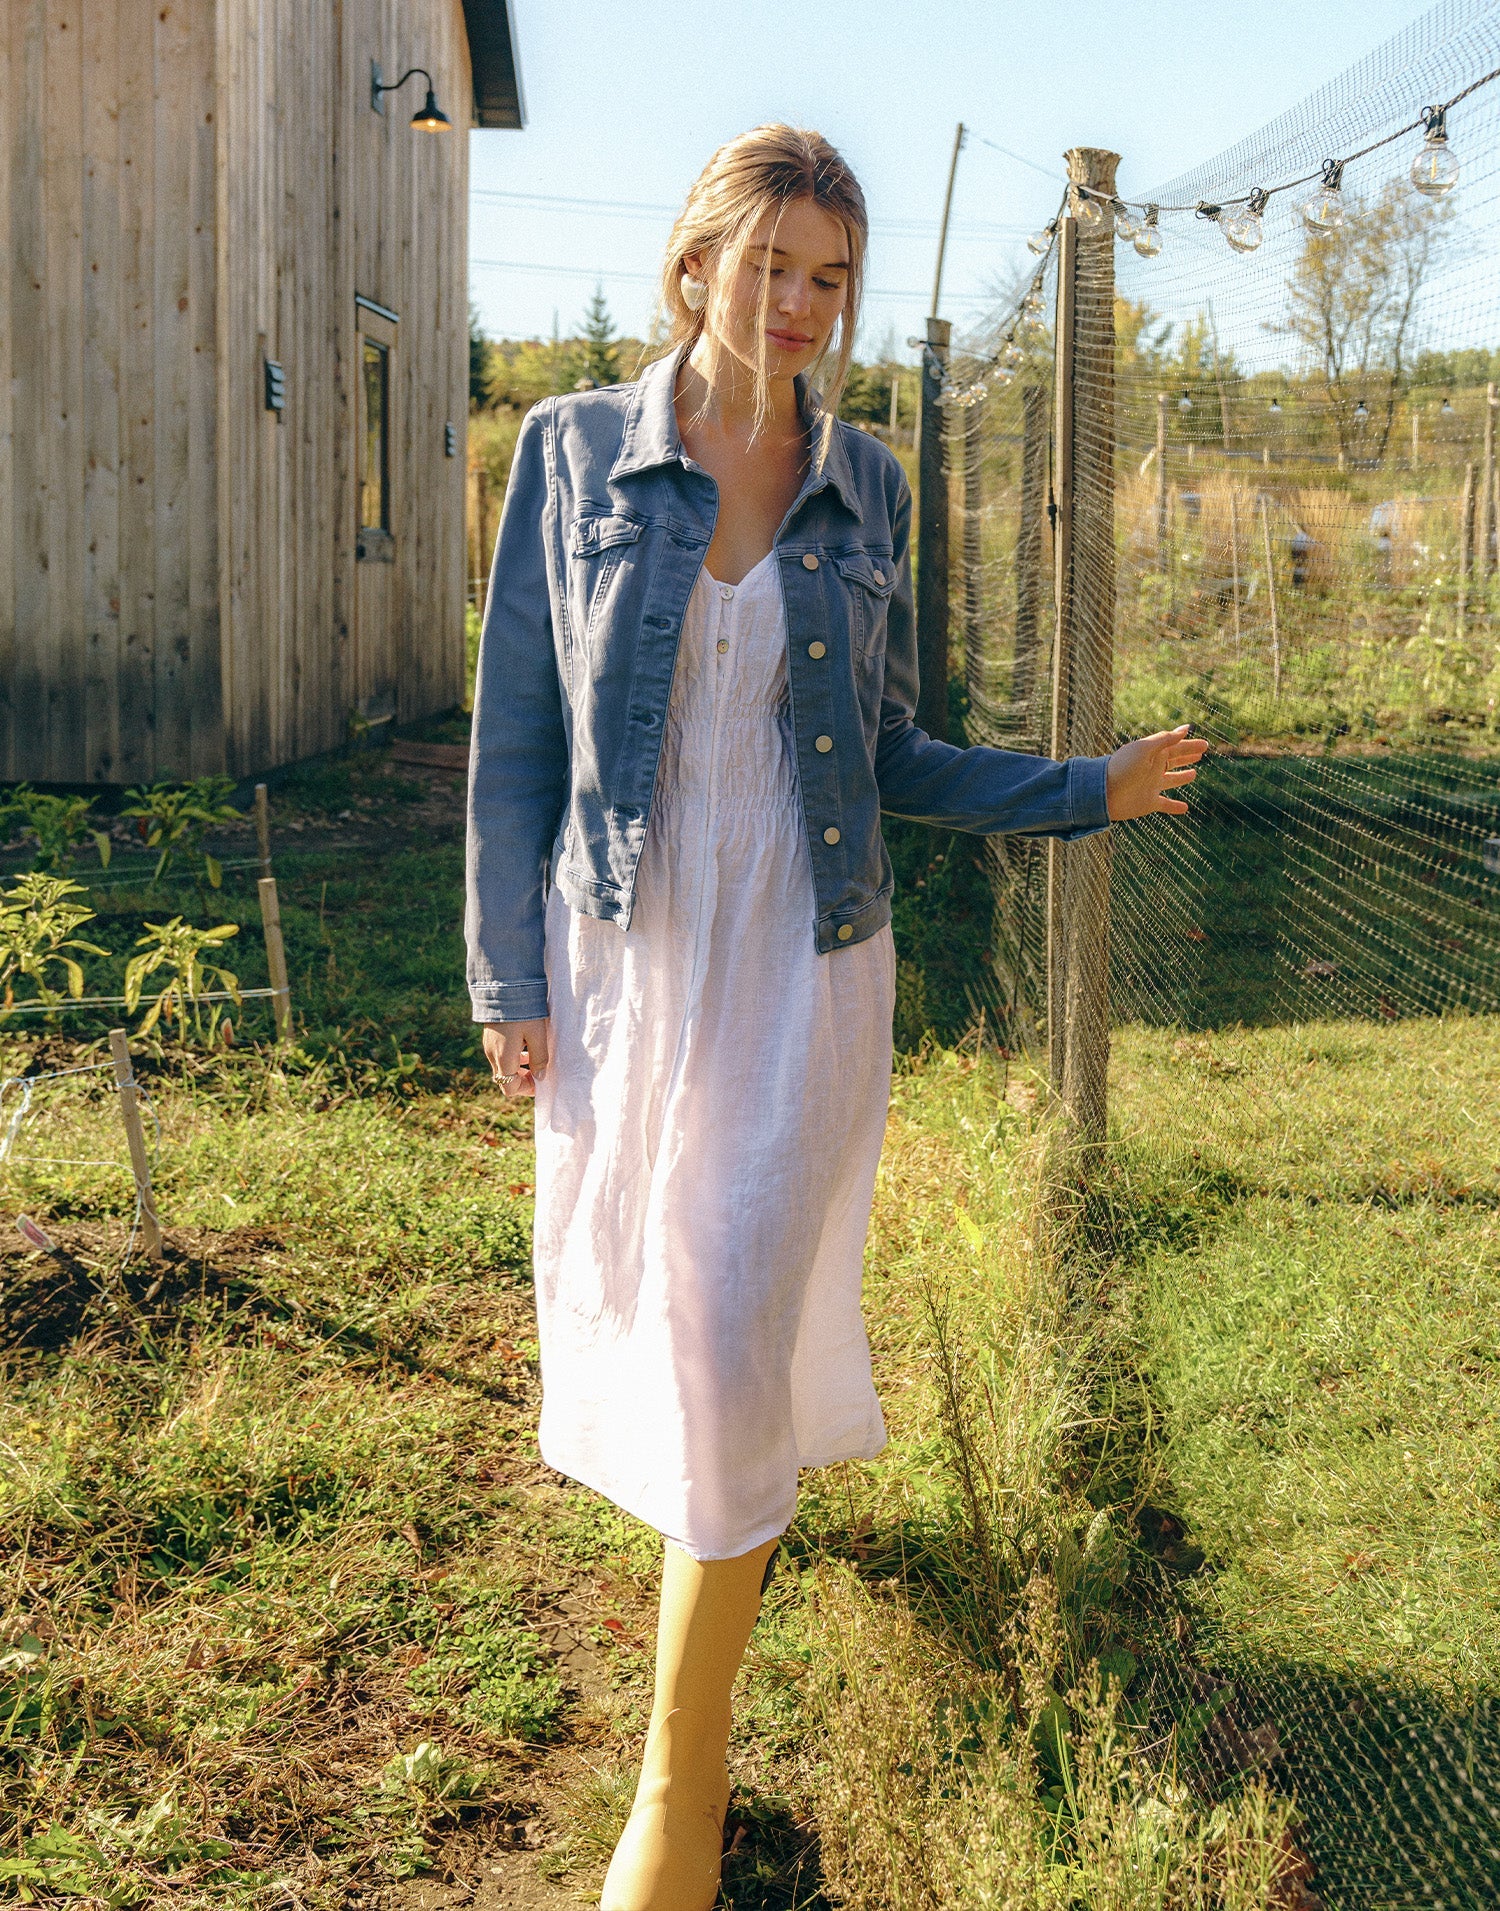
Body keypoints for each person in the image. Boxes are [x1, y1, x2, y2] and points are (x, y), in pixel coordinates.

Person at [465, 123, 1207, 1911]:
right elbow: (515, 742)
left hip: (805, 959)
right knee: (668, 1322)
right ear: (697, 265)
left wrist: (1080, 792)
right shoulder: (570, 451)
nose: (799, 304)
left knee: (733, 1324)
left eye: (830, 279)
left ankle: (681, 1779)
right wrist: (507, 975)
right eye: (771, 265)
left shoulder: (867, 483)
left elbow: (887, 751)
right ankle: (703, 1636)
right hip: (628, 957)